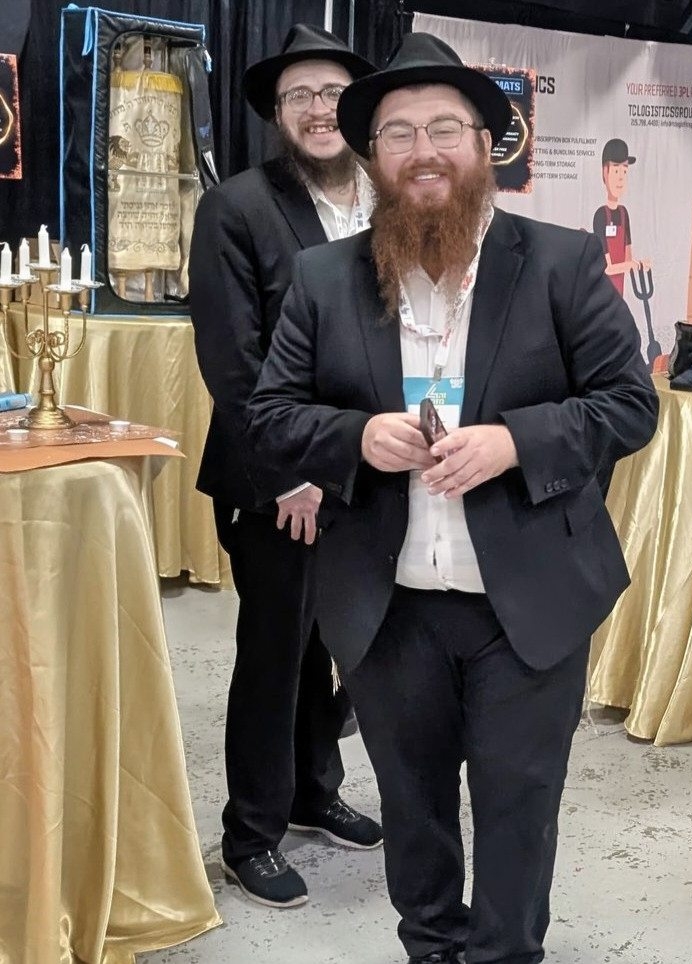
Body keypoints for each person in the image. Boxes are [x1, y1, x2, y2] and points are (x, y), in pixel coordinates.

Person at [249, 31, 658, 964]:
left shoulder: (557, 264)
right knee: (414, 807)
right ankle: (430, 949)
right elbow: (268, 416)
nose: (422, 150)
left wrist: (515, 441)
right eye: (397, 133)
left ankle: (507, 954)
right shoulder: (325, 278)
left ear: (483, 145)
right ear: (373, 156)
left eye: (443, 128)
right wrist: (357, 437)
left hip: (528, 601)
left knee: (519, 806)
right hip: (388, 604)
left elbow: (630, 405)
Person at [188, 24, 383, 909]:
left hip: (364, 467)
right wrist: (288, 474)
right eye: (298, 95)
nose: (317, 108)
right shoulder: (237, 207)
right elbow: (233, 361)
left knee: (335, 645)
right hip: (277, 477)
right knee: (274, 652)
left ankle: (312, 790)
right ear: (277, 113)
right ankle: (251, 833)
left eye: (332, 92)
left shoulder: (384, 199)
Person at [591, 138, 651, 295]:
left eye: (624, 171)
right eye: (616, 170)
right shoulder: (600, 216)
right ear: (605, 172)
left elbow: (628, 258)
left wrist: (638, 264)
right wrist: (633, 265)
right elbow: (607, 267)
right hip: (603, 291)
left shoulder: (624, 213)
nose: (621, 178)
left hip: (619, 290)